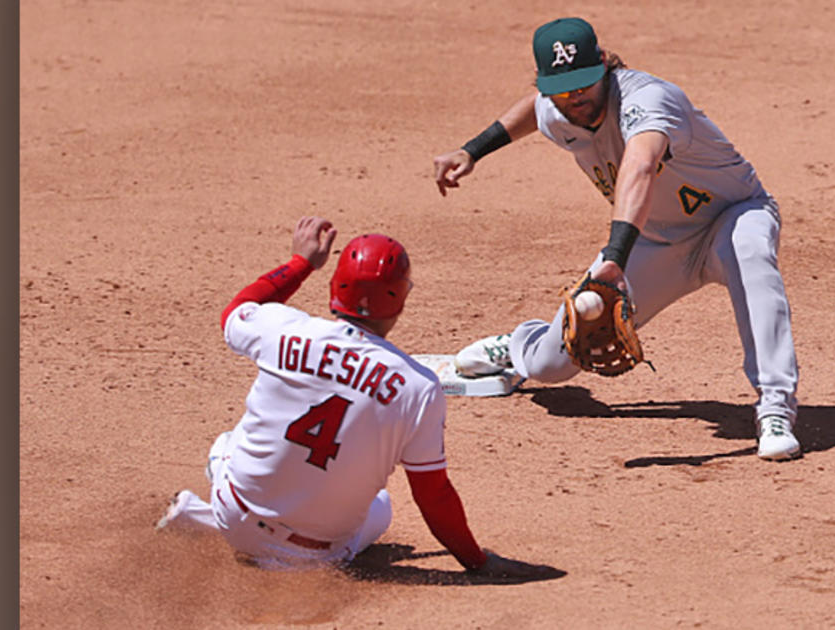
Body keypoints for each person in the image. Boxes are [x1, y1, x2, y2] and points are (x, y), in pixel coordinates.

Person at [432, 17, 802, 461]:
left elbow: (640, 166)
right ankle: (518, 347)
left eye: (586, 82)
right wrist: (472, 150)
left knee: (750, 250)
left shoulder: (647, 99)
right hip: (656, 240)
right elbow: (535, 109)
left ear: (604, 65)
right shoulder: (556, 108)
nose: (577, 96)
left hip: (731, 215)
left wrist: (614, 259)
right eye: (564, 87)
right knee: (552, 365)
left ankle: (776, 406)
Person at [157, 216, 547, 576]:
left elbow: (237, 310)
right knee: (380, 506)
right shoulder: (418, 386)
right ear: (400, 299)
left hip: (236, 518)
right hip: (314, 556)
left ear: (335, 288)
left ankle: (202, 516)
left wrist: (301, 262)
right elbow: (433, 496)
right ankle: (263, 551)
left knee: (228, 443)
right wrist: (476, 563)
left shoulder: (281, 328)